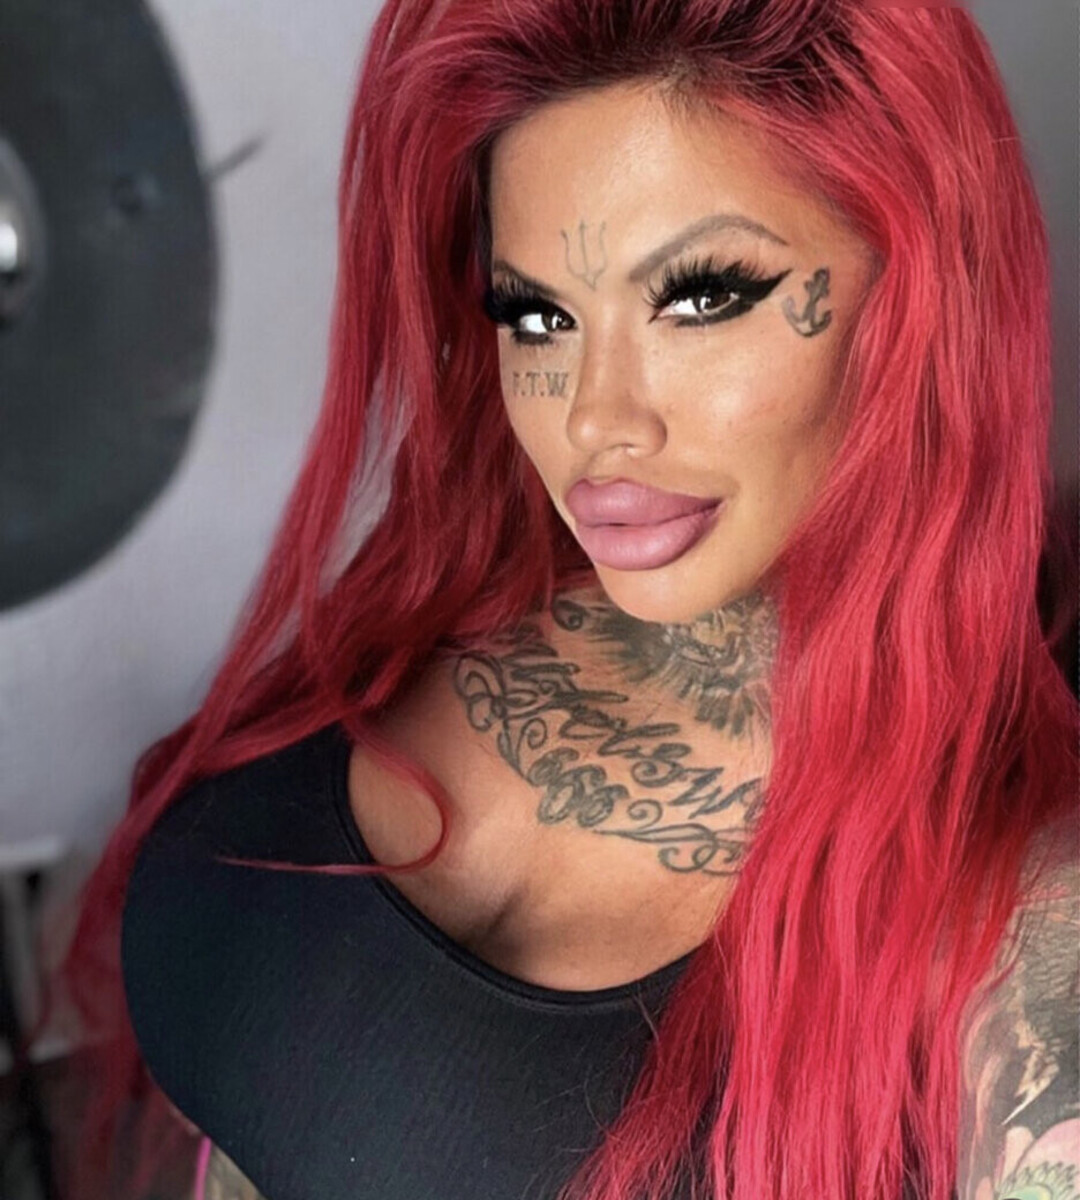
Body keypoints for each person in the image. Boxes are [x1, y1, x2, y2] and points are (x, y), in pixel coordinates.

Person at [44, 1, 1078, 1198]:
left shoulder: (1023, 942)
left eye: (701, 298)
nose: (593, 419)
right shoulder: (439, 611)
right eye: (537, 316)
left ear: (921, 291)